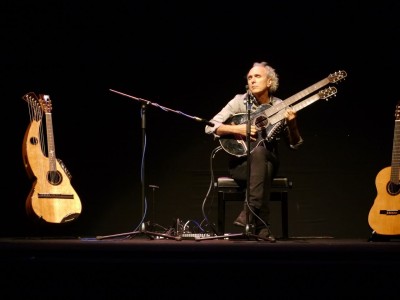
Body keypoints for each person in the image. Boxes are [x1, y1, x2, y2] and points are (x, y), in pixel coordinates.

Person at [205, 61, 303, 242]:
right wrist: (238, 129)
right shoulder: (238, 102)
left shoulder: (280, 105)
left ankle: (248, 214)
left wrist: (292, 124)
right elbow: (210, 127)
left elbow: (295, 144)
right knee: (262, 167)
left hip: (270, 158)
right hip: (241, 165)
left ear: (269, 82)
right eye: (250, 77)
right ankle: (262, 228)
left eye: (257, 76)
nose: (252, 80)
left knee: (260, 154)